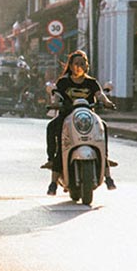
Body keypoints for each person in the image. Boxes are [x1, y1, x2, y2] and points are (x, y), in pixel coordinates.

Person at [42, 50, 117, 194]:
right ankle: (52, 166)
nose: (79, 66)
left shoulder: (92, 82)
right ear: (70, 66)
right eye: (76, 64)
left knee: (104, 126)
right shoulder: (63, 82)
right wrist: (55, 103)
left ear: (86, 66)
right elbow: (56, 95)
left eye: (82, 64)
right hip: (67, 117)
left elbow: (100, 95)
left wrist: (107, 103)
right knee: (52, 127)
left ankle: (106, 163)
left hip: (87, 118)